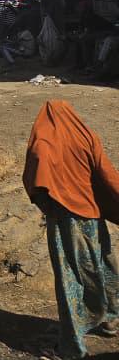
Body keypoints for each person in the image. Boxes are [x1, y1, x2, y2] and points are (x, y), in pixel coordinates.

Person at [23, 101, 119, 359]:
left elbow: (35, 178)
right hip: (92, 216)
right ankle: (110, 319)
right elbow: (108, 174)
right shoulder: (86, 136)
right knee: (103, 264)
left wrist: (47, 205)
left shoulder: (44, 143)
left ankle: (72, 347)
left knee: (70, 279)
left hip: (65, 220)